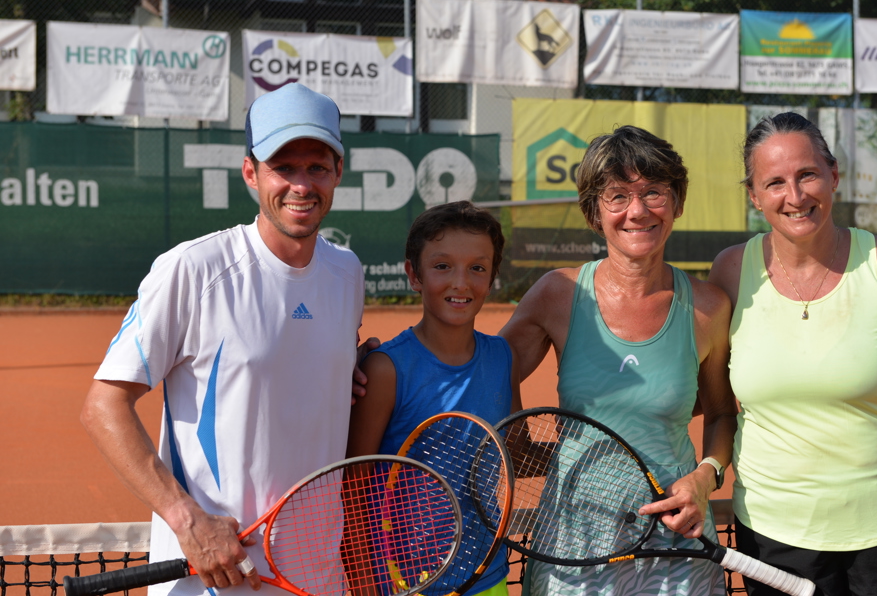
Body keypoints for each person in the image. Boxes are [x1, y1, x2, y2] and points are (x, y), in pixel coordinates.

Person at [80, 83, 364, 596]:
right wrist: (187, 520)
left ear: (338, 173)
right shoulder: (192, 269)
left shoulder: (348, 273)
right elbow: (104, 406)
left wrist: (351, 365)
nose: (302, 185)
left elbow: (302, 364)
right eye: (284, 166)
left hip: (318, 577)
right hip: (210, 582)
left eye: (317, 167)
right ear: (251, 173)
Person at [708, 112, 877, 596]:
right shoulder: (730, 271)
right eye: (775, 182)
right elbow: (713, 402)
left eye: (807, 174)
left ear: (833, 176)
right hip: (772, 538)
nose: (796, 196)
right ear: (754, 196)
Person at [497, 126, 737, 596]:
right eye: (617, 196)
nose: (638, 210)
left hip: (678, 537)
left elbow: (722, 411)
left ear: (678, 202)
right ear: (593, 211)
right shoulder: (558, 294)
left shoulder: (709, 307)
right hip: (573, 538)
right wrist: (520, 442)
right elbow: (486, 367)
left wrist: (705, 477)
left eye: (654, 193)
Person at [346, 200, 522, 596]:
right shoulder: (385, 369)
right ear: (414, 274)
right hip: (401, 583)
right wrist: (363, 585)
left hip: (487, 575)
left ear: (492, 277)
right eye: (442, 266)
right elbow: (352, 488)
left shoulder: (502, 357)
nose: (461, 282)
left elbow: (515, 448)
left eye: (477, 268)